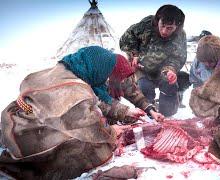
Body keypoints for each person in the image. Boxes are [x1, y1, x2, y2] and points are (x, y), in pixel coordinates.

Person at [0, 46, 163, 179]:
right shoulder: (75, 89)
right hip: (26, 134)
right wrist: (112, 131)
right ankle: (33, 166)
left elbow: (97, 102)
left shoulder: (67, 70)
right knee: (95, 148)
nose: (110, 79)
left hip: (15, 122)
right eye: (109, 75)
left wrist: (138, 109)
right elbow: (88, 123)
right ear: (100, 69)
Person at [119, 4, 187, 117]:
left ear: (177, 26)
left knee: (170, 86)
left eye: (169, 28)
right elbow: (126, 40)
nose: (164, 31)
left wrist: (170, 70)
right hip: (141, 67)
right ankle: (149, 116)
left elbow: (178, 57)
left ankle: (167, 116)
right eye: (162, 25)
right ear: (158, 21)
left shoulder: (180, 35)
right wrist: (134, 54)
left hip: (163, 69)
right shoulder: (146, 25)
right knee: (145, 89)